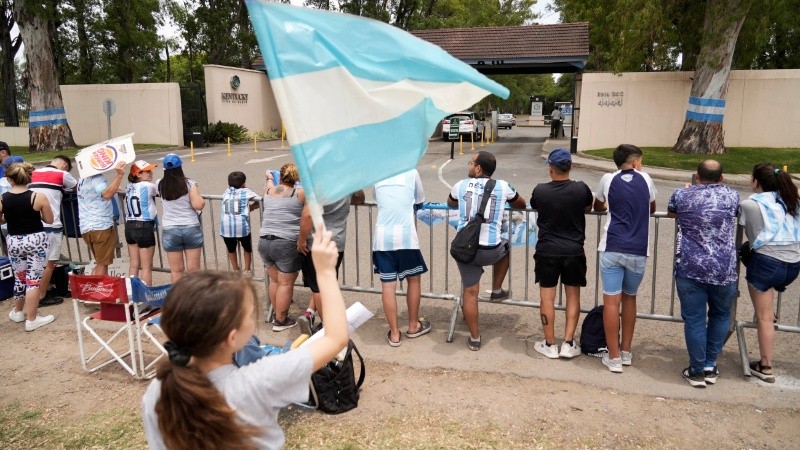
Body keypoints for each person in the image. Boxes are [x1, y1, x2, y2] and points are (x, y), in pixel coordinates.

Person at [141, 227, 349, 450]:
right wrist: (325, 273)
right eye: (250, 317)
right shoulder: (257, 381)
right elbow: (335, 338)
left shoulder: (156, 391)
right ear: (232, 338)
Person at [667, 160, 740, 387]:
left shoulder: (681, 195)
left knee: (695, 319)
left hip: (690, 267)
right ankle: (710, 364)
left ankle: (697, 369)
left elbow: (672, 213)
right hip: (723, 268)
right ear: (721, 178)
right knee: (720, 315)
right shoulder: (732, 195)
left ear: (696, 176)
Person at [448, 151, 526, 351]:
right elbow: (521, 203)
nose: (468, 166)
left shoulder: (460, 185)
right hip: (490, 250)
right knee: (506, 246)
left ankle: (474, 338)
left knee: (470, 292)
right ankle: (497, 289)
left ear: (478, 168)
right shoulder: (502, 186)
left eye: (470, 163)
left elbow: (450, 203)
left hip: (465, 249)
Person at [593, 144, 656, 373]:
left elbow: (598, 204)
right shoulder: (646, 179)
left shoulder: (607, 179)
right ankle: (627, 350)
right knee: (630, 298)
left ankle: (614, 356)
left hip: (612, 246)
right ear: (636, 162)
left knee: (611, 302)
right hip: (638, 249)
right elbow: (652, 206)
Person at [739, 163, 800, 383]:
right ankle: (769, 310)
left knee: (764, 317)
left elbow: (752, 234)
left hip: (766, 264)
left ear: (756, 182)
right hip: (793, 264)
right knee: (766, 309)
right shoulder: (793, 200)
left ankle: (765, 365)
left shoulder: (751, 204)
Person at [529, 148, 592, 359]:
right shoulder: (581, 189)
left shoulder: (540, 191)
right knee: (573, 296)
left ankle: (549, 343)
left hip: (547, 250)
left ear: (550, 169)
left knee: (547, 297)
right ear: (570, 167)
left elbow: (534, 205)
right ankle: (568, 342)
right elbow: (588, 207)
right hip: (574, 250)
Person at [372, 170, 431, 347]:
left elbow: (376, 200)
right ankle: (413, 325)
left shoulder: (378, 174)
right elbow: (420, 199)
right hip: (406, 236)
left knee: (388, 285)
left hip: (383, 236)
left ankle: (395, 333)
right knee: (414, 280)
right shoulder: (411, 172)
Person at [297, 189, 364, 334]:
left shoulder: (317, 187)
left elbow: (307, 214)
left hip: (317, 242)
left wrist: (301, 240)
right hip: (337, 242)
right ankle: (313, 315)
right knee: (326, 284)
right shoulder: (346, 183)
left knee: (318, 288)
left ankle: (327, 327)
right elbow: (360, 198)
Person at [1, 162, 55, 331]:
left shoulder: (3, 198)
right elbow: (49, 220)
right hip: (35, 239)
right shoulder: (38, 197)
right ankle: (32, 319)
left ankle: (18, 311)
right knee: (33, 280)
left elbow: (1, 220)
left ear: (10, 179)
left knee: (20, 277)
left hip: (14, 240)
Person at [258, 163, 305, 331]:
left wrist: (269, 176)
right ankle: (281, 320)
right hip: (286, 242)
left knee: (275, 281)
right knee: (285, 283)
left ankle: (275, 315)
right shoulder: (299, 194)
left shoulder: (269, 191)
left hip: (264, 241)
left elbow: (269, 182)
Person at [29, 155, 77, 306]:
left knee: (35, 263)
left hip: (33, 225)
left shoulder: (34, 173)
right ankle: (42, 296)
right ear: (64, 166)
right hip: (52, 224)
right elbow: (76, 186)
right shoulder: (62, 174)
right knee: (50, 264)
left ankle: (40, 291)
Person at [157, 153, 205, 283]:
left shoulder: (160, 184)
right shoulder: (189, 183)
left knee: (176, 270)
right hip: (190, 226)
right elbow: (198, 204)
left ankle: (178, 300)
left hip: (170, 229)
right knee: (193, 270)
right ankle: (195, 299)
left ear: (164, 169)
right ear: (180, 167)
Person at [77, 162, 126, 275]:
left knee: (100, 263)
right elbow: (107, 194)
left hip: (87, 226)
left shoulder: (82, 178)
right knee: (102, 266)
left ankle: (93, 290)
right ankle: (97, 291)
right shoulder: (97, 178)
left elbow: (102, 191)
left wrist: (113, 188)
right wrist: (119, 175)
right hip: (100, 226)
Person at [124, 160, 159, 286]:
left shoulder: (128, 186)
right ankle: (146, 297)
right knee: (146, 267)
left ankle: (132, 294)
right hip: (144, 225)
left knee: (134, 264)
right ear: (138, 174)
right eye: (147, 171)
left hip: (130, 226)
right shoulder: (149, 186)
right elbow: (158, 191)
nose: (151, 173)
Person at [220, 171, 259, 275]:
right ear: (244, 184)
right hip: (241, 226)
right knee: (247, 248)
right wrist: (250, 207)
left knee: (231, 249)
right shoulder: (246, 191)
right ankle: (247, 270)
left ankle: (235, 269)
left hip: (226, 227)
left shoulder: (226, 191)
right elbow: (259, 201)